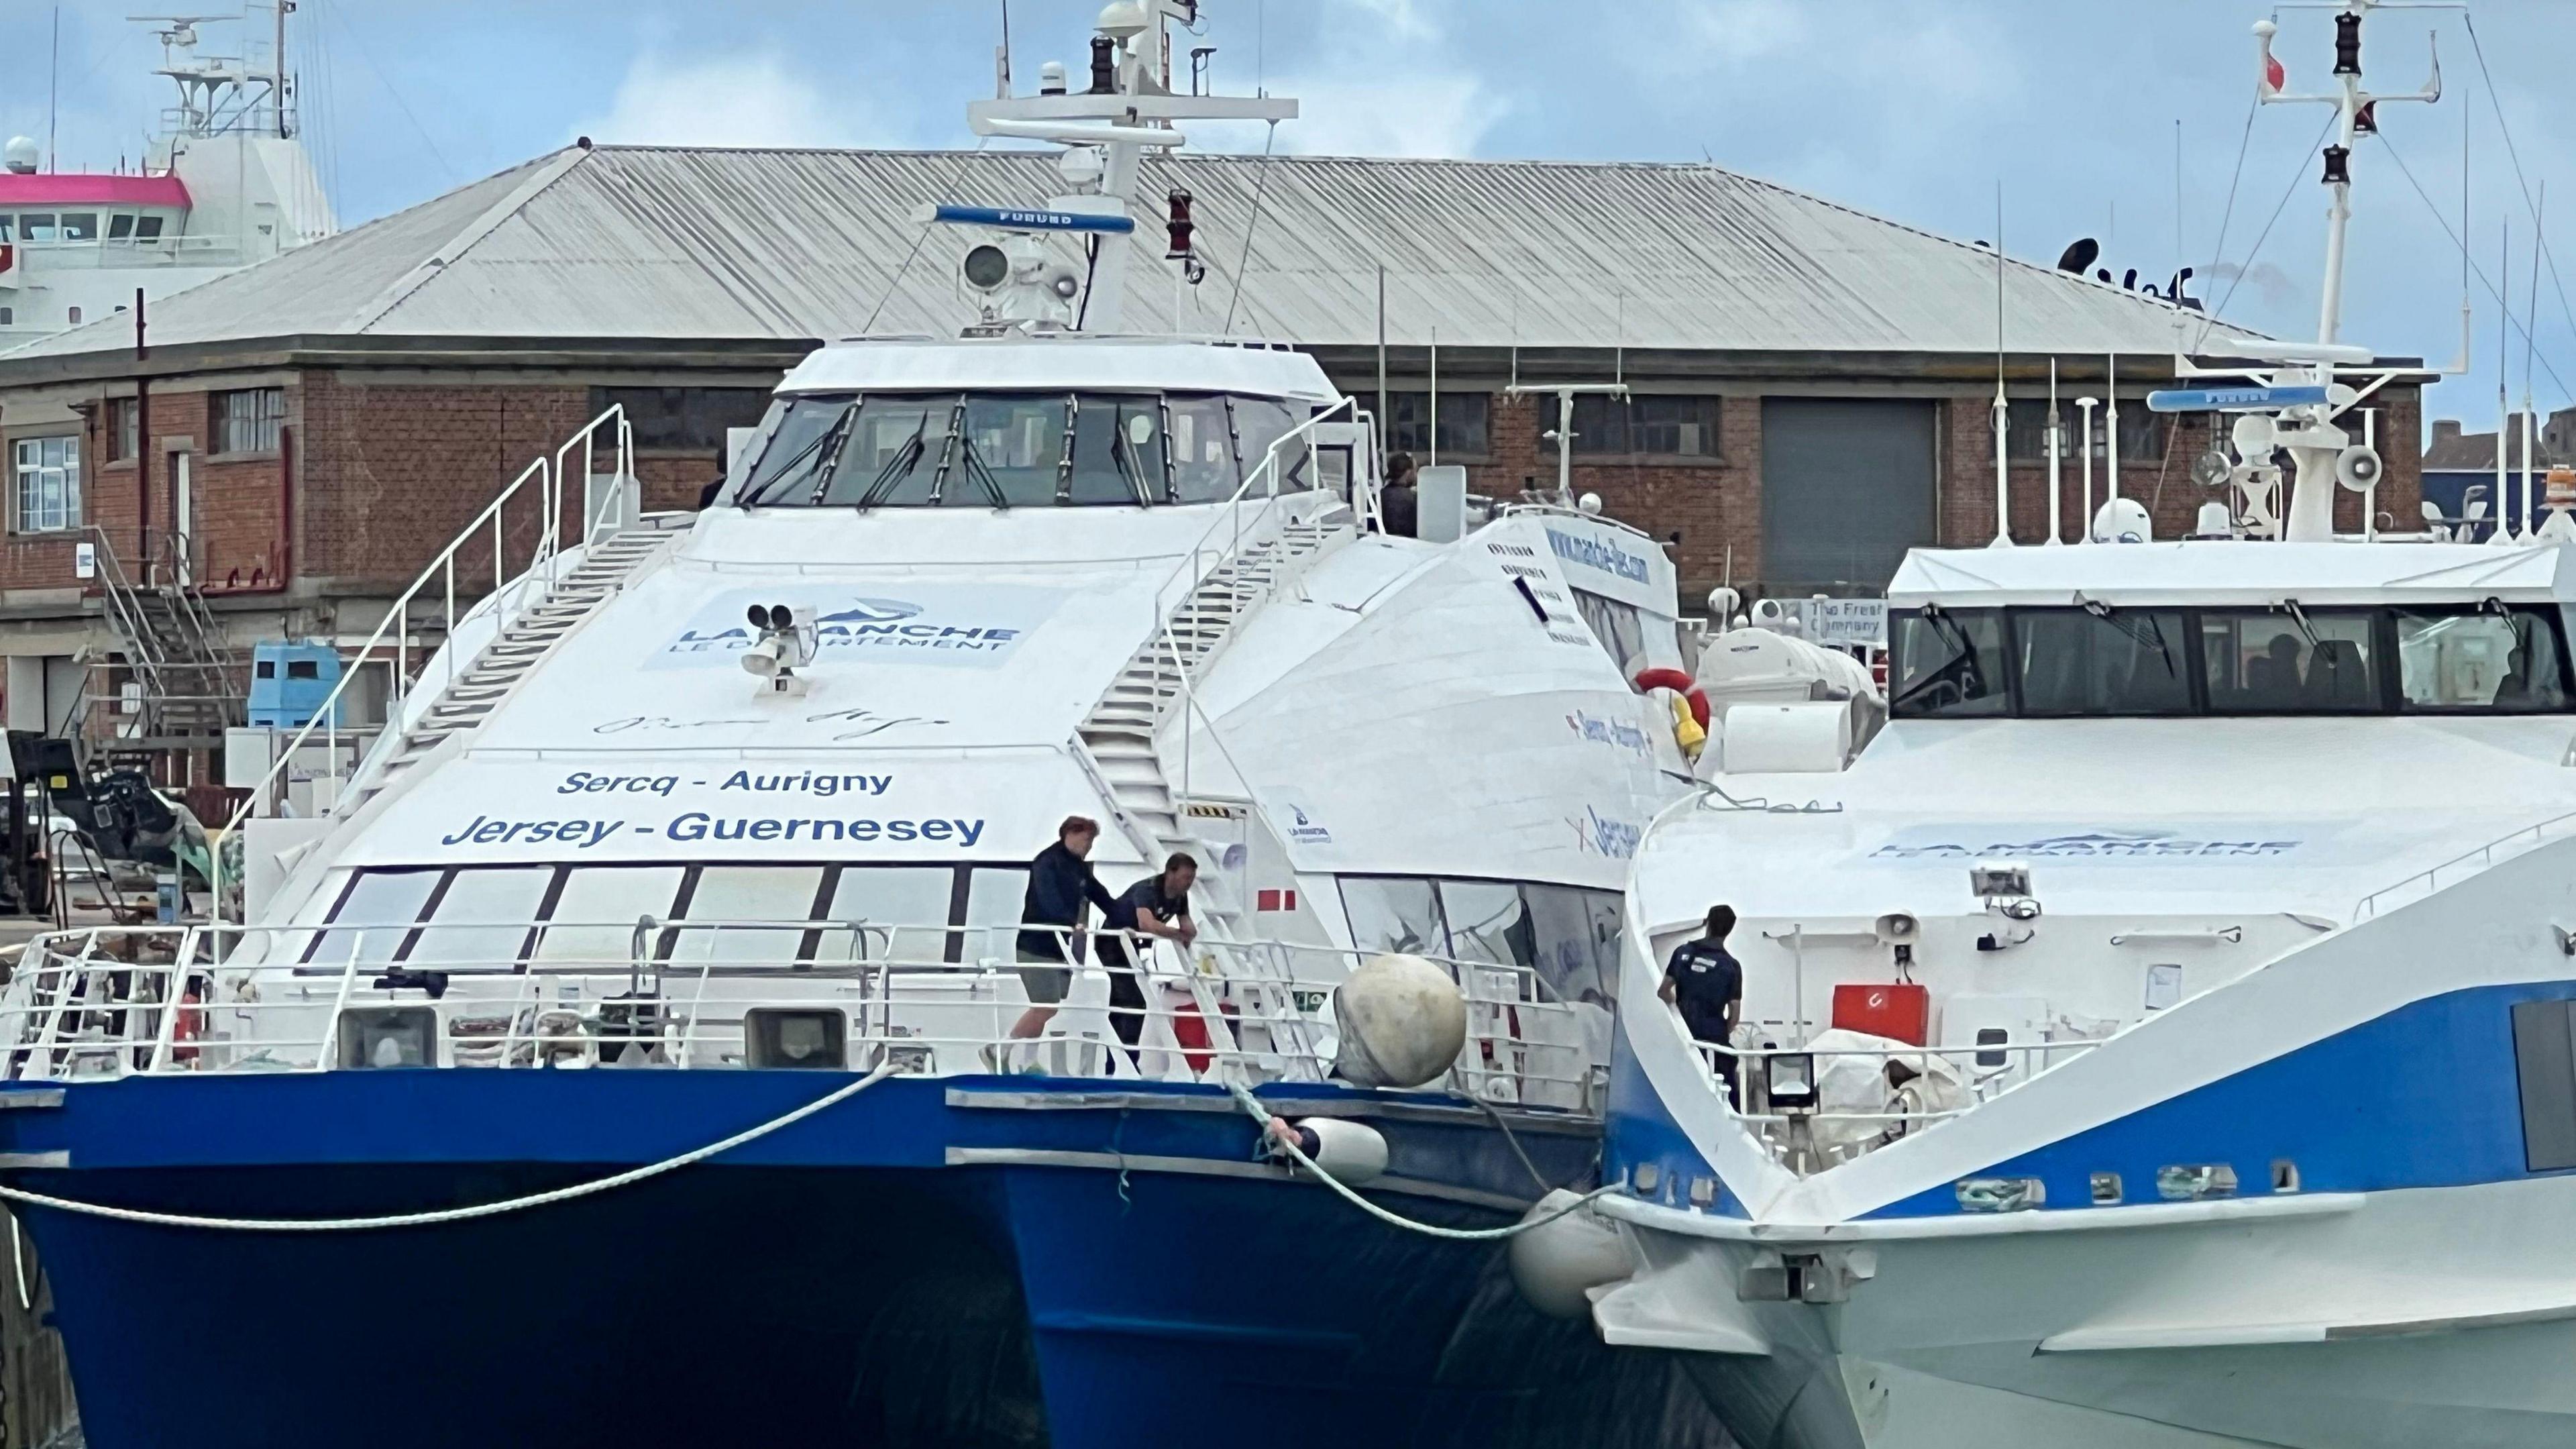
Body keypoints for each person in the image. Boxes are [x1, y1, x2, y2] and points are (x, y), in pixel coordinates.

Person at [1012, 816, 1118, 1042]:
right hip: (1035, 946)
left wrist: (1125, 916)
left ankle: (1026, 1059)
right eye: (1087, 839)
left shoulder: (1078, 867)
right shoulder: (1047, 862)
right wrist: (1072, 922)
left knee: (1049, 1006)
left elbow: (1099, 894)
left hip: (1058, 949)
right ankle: (1002, 1049)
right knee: (1046, 1006)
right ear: (1071, 834)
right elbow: (1048, 900)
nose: (1089, 846)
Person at [1097, 852, 1198, 1068]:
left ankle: (1118, 1063)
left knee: (1124, 1003)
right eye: (1185, 877)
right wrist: (1177, 934)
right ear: (1170, 873)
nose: (1188, 883)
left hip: (1131, 945)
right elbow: (1147, 924)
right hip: (1111, 941)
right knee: (1132, 1001)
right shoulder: (1148, 890)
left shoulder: (1180, 896)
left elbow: (1188, 925)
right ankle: (1124, 1063)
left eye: (1191, 879)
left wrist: (1188, 933)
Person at [1660, 905, 1743, 1106]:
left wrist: (1678, 1014)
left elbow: (1663, 991)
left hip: (1684, 1033)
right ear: (1730, 929)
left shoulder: (1682, 953)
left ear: (1708, 922)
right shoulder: (1732, 967)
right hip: (1714, 1037)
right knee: (1726, 1092)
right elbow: (1734, 1016)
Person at [1379, 451, 1418, 538]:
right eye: (1415, 471)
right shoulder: (1413, 499)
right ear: (1409, 473)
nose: (1416, 475)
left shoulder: (1379, 497)